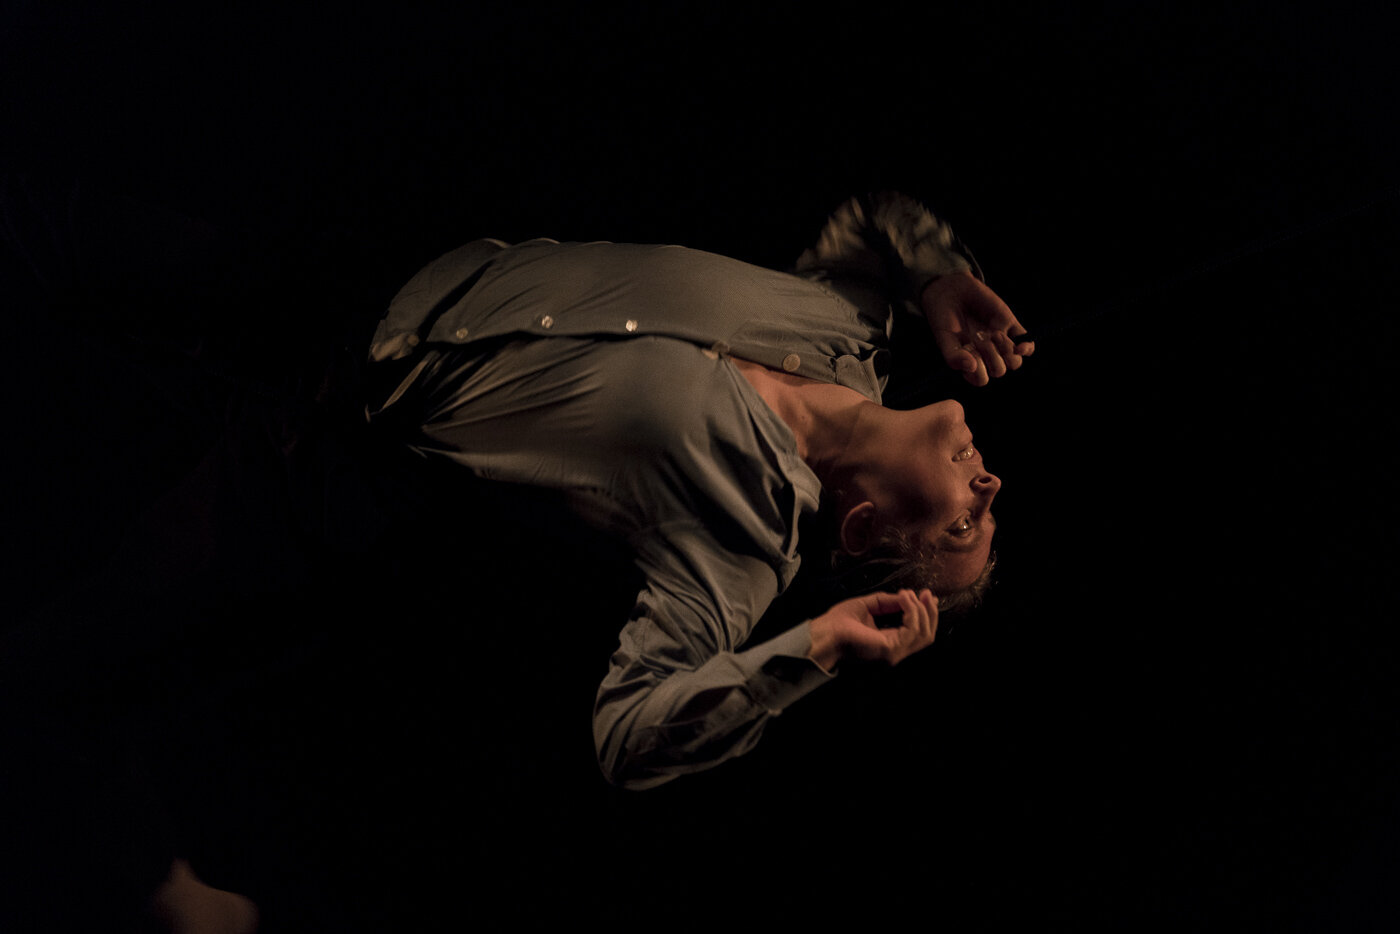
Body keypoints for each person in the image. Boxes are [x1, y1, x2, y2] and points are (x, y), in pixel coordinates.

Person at [362, 190, 1034, 790]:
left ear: (862, 523)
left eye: (963, 526)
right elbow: (873, 214)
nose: (990, 485)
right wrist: (940, 276)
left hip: (358, 372)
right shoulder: (850, 329)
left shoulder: (745, 541)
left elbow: (626, 738)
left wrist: (816, 646)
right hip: (427, 238)